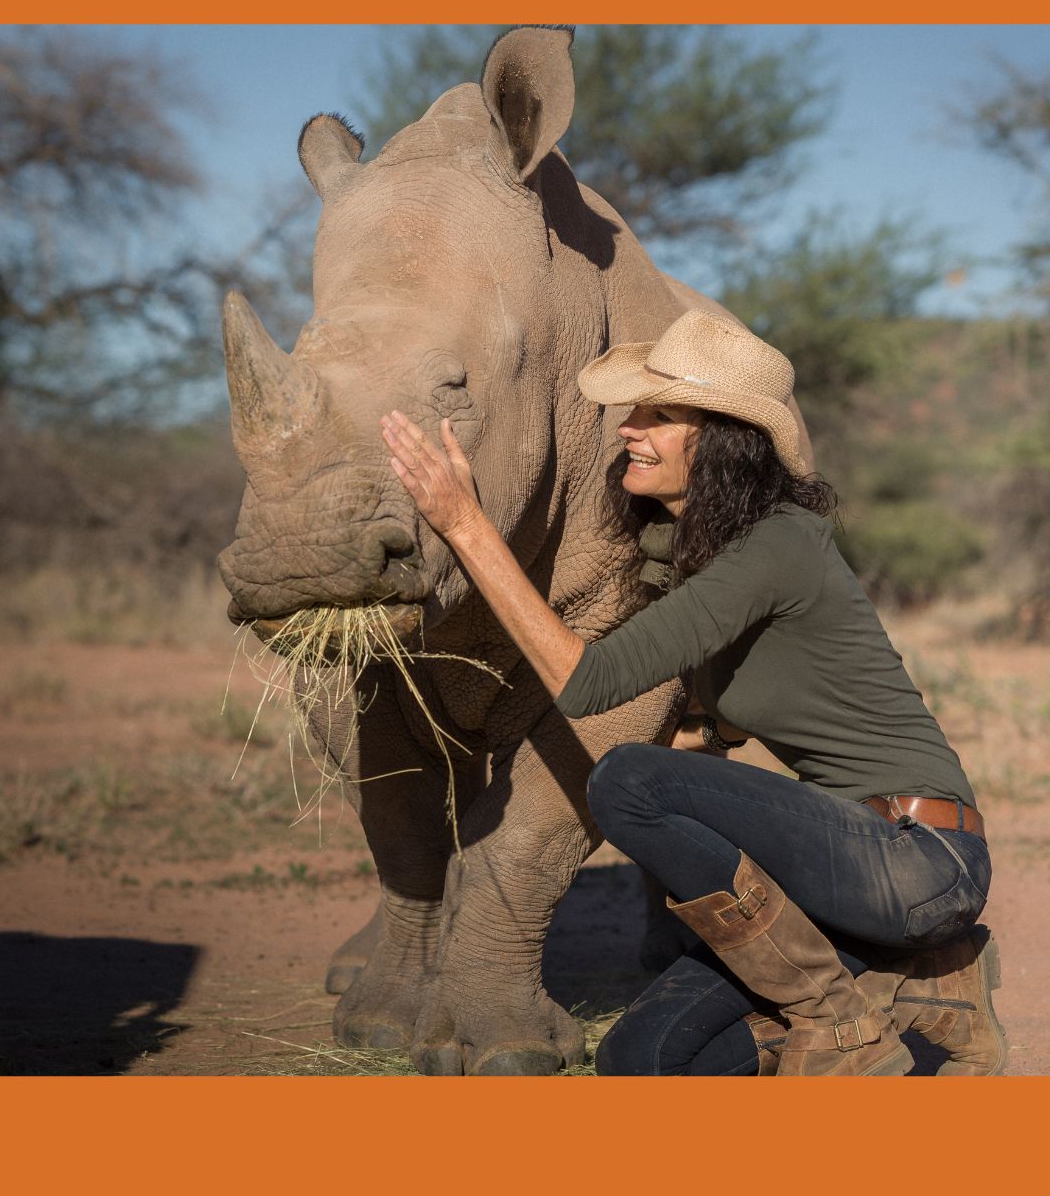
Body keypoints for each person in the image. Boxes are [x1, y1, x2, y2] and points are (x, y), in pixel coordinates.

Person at [373, 305, 1000, 1076]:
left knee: (628, 779)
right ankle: (926, 984)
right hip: (836, 885)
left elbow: (585, 682)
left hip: (916, 858)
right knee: (643, 1059)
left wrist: (464, 524)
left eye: (659, 414)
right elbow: (698, 740)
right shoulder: (703, 560)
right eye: (634, 410)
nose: (628, 428)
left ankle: (834, 1019)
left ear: (723, 441)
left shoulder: (777, 546)